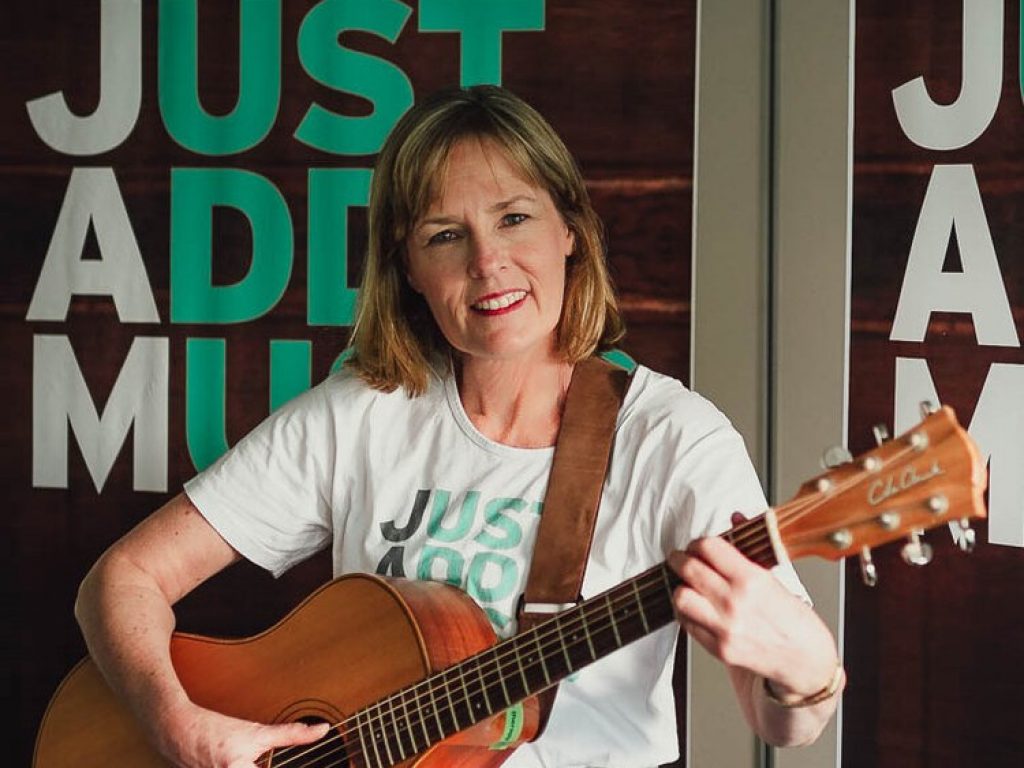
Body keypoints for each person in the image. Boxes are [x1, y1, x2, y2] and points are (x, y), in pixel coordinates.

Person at [75, 84, 842, 768]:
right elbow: (120, 581)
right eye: (446, 235)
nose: (488, 262)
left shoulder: (674, 440)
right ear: (407, 266)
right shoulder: (360, 414)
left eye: (514, 218)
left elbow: (779, 722)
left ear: (569, 230)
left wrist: (808, 674)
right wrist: (178, 726)